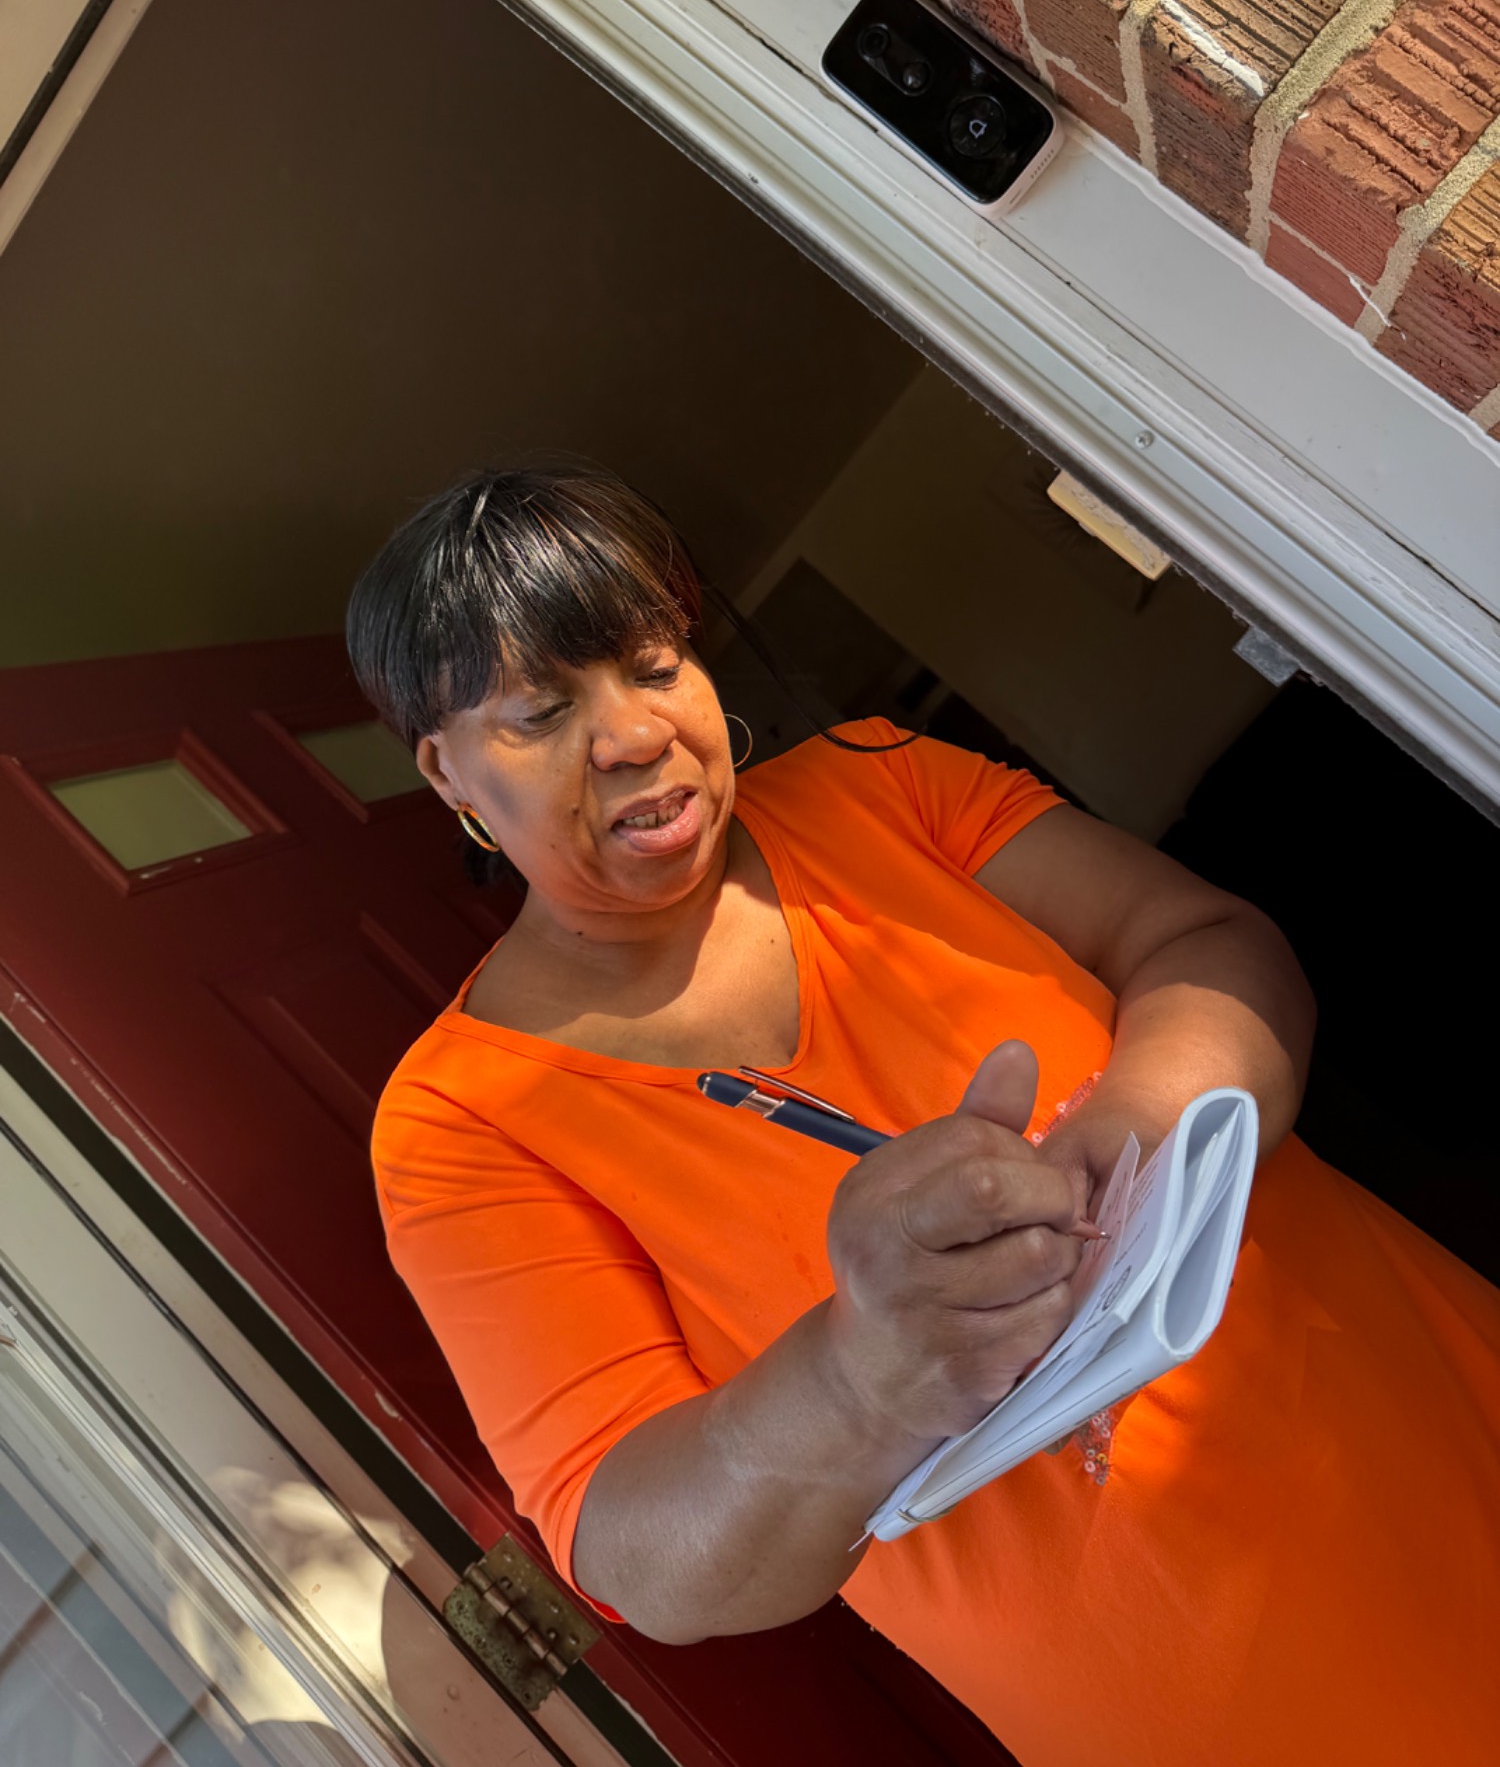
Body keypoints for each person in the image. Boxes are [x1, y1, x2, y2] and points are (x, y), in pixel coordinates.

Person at [352, 467, 1499, 1767]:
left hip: (1427, 1420)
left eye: (655, 665)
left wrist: (1128, 1126)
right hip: (1235, 1708)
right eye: (544, 711)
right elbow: (639, 1553)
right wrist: (862, 1375)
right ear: (447, 769)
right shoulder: (461, 1121)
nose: (632, 734)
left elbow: (1212, 943)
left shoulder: (880, 784)